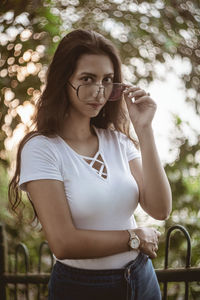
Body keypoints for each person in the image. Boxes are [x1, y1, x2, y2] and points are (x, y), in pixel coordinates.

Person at [9, 29, 172, 300]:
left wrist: (144, 130)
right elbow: (63, 243)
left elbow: (160, 208)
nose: (99, 91)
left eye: (107, 80)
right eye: (87, 79)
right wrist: (134, 237)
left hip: (141, 278)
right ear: (64, 81)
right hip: (82, 288)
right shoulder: (42, 149)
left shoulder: (118, 142)